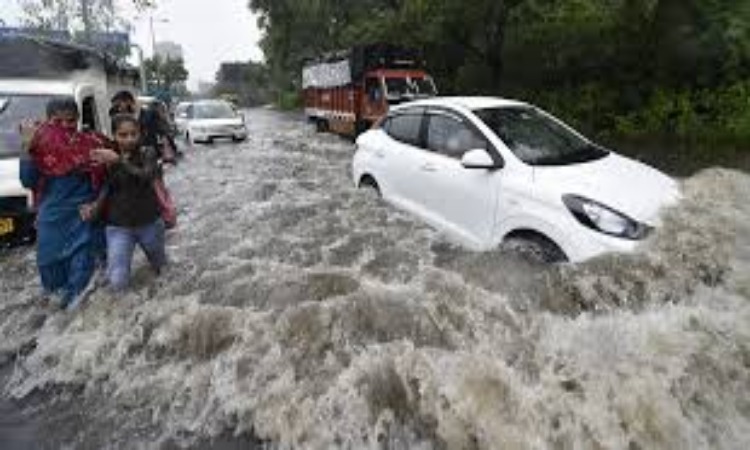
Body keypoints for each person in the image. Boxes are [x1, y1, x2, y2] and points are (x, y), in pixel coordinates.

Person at [19, 98, 108, 309]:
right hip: (52, 222)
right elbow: (27, 181)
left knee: (82, 282)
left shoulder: (92, 144)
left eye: (71, 120)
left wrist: (97, 205)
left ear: (78, 119)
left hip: (83, 218)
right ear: (48, 120)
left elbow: (109, 182)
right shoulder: (36, 148)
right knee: (51, 277)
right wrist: (26, 147)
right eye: (58, 121)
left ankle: (78, 332)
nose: (66, 126)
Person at [91, 114, 168, 291]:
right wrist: (95, 206)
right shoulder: (106, 155)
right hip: (118, 226)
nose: (129, 139)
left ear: (140, 134)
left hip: (149, 222)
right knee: (117, 281)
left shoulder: (147, 152)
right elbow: (107, 187)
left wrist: (119, 162)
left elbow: (146, 176)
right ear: (114, 135)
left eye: (134, 134)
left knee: (161, 268)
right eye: (123, 135)